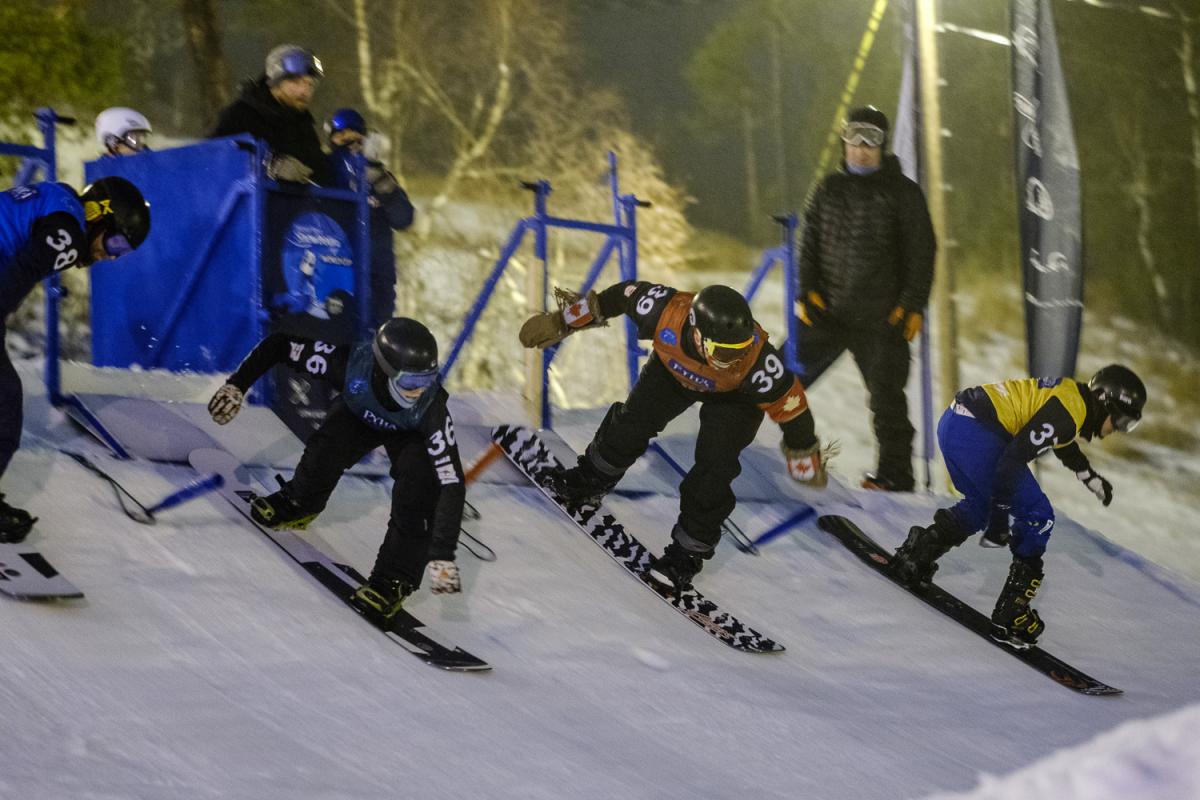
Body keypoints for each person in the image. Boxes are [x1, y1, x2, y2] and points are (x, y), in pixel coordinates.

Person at [519, 282, 828, 590]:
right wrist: (562, 321)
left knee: (714, 466)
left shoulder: (756, 364)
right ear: (697, 332)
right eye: (723, 351)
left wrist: (804, 453)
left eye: (741, 349)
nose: (734, 358)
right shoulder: (664, 311)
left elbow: (792, 406)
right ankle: (589, 481)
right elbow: (615, 298)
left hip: (734, 396)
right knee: (633, 422)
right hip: (674, 369)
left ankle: (686, 555)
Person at [206, 317, 465, 621]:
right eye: (411, 383)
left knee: (419, 492)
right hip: (361, 412)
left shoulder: (431, 409)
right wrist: (237, 384)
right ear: (384, 370)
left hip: (411, 434)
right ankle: (299, 502)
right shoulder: (345, 363)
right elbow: (279, 344)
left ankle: (395, 579)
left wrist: (442, 556)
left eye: (428, 380)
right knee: (329, 441)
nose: (419, 391)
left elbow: (452, 483)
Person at [889, 365, 1147, 648]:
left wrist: (1087, 474)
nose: (1116, 430)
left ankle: (917, 554)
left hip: (955, 424)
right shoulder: (1070, 409)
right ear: (1103, 400)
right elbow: (1012, 460)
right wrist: (1001, 520)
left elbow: (1059, 435)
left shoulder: (1072, 396)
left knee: (980, 506)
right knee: (1039, 516)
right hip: (975, 434)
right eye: (1121, 421)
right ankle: (1012, 612)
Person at [0, 177, 151, 541]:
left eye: (122, 253)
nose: (110, 256)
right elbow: (23, 269)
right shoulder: (69, 230)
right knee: (5, 405)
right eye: (116, 242)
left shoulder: (56, 197)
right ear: (99, 215)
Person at [795, 104, 936, 492]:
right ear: (843, 140)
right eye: (854, 136)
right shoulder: (828, 189)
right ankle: (735, 444)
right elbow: (807, 247)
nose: (861, 147)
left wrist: (911, 305)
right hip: (830, 314)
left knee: (887, 402)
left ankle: (895, 476)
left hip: (882, 321)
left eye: (871, 138)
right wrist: (805, 292)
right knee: (777, 379)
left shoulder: (903, 194)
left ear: (883, 145)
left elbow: (922, 253)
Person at [325, 108, 415, 328]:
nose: (349, 142)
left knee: (373, 342)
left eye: (355, 136)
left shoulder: (379, 175)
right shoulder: (325, 169)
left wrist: (382, 183)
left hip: (377, 277)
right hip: (334, 273)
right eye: (342, 136)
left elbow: (404, 218)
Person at [210, 44, 331, 185]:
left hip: (293, 206)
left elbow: (320, 174)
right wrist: (270, 165)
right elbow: (213, 160)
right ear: (276, 82)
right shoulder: (241, 115)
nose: (304, 91)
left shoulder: (303, 125)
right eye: (296, 82)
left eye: (310, 84)